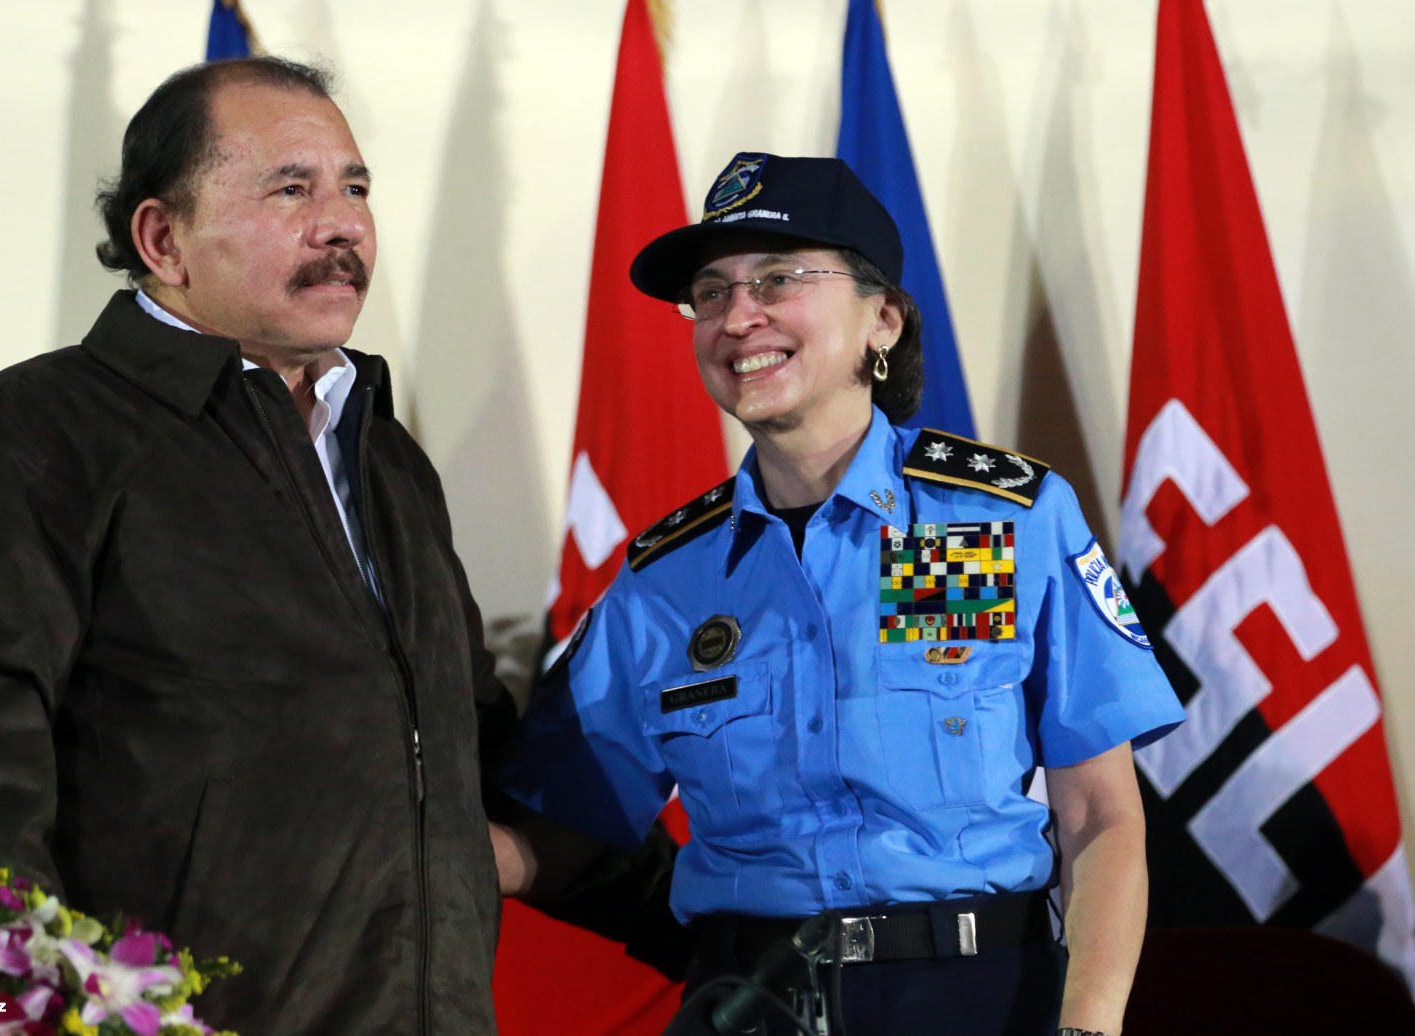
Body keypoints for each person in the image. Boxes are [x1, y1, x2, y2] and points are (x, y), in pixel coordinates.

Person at [0, 57, 513, 1034]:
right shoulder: (24, 443)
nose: (341, 225)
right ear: (162, 239)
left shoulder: (387, 456)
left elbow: (473, 745)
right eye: (291, 190)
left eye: (354, 189)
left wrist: (706, 899)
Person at [490, 153, 1186, 1036]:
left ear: (881, 318)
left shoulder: (1000, 519)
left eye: (777, 279)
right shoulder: (665, 575)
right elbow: (556, 835)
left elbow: (1099, 815)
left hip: (977, 999)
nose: (737, 317)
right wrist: (368, 848)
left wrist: (1086, 1027)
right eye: (710, 293)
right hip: (749, 1003)